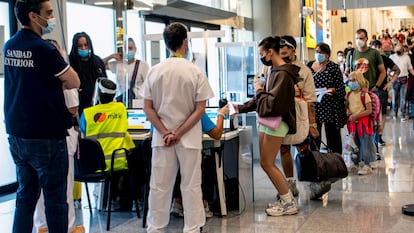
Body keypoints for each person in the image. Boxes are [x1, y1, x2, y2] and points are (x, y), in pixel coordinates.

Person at [3, 1, 80, 232]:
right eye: (48, 13)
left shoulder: (9, 46)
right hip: (46, 135)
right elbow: (74, 81)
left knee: (25, 196)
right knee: (55, 200)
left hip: (17, 134)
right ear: (33, 16)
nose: (51, 18)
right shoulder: (44, 49)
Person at [143, 22, 214, 233]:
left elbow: (148, 107)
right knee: (191, 186)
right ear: (185, 41)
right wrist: (179, 133)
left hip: (161, 139)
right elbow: (200, 109)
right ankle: (192, 229)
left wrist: (166, 132)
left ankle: (155, 228)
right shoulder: (195, 72)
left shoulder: (154, 71)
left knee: (159, 186)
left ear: (166, 44)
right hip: (189, 139)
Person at [234, 36, 300, 216]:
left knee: (267, 163)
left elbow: (272, 103)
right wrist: (239, 108)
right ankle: (285, 198)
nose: (261, 57)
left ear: (270, 52)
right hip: (269, 121)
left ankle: (288, 201)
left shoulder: (283, 74)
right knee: (266, 162)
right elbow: (262, 100)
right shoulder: (274, 71)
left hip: (276, 121)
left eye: (262, 54)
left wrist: (258, 90)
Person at [33, 39, 84, 233]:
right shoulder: (66, 76)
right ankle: (67, 227)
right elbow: (73, 108)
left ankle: (42, 226)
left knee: (42, 188)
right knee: (64, 186)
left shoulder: (39, 77)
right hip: (61, 136)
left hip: (42, 135)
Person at [79, 78, 136, 210]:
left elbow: (83, 135)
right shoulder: (121, 109)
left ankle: (110, 199)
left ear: (98, 94)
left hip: (94, 164)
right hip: (118, 162)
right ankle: (131, 200)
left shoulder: (87, 114)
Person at [275, 35, 318, 198]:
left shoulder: (304, 71)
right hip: (280, 115)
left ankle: (310, 183)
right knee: (283, 148)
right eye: (280, 54)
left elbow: (310, 100)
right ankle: (290, 182)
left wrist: (312, 125)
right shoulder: (272, 68)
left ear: (293, 51)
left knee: (303, 149)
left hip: (300, 115)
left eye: (286, 54)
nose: (283, 57)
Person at [170, 106, 230, 218]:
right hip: (190, 159)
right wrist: (221, 115)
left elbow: (152, 135)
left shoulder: (163, 112)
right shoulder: (197, 113)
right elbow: (217, 134)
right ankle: (204, 204)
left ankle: (177, 202)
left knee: (176, 163)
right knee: (208, 162)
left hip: (167, 165)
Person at [308, 42, 346, 155]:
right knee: (314, 133)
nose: (318, 54)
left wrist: (333, 90)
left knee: (332, 134)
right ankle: (314, 159)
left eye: (321, 52)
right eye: (317, 52)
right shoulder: (309, 66)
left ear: (327, 55)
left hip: (330, 106)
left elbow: (341, 88)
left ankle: (335, 158)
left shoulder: (333, 68)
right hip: (314, 106)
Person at [103, 37, 150, 108]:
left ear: (135, 49)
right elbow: (100, 65)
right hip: (120, 100)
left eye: (130, 48)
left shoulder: (143, 65)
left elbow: (149, 85)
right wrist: (111, 56)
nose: (128, 51)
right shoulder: (118, 64)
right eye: (125, 49)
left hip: (137, 101)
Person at [370, 40, 400, 149]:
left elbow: (397, 70)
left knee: (381, 114)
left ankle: (379, 136)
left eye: (378, 47)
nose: (377, 49)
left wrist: (390, 83)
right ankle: (371, 136)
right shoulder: (368, 59)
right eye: (374, 47)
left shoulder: (385, 59)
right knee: (370, 113)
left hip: (381, 90)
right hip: (369, 89)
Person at [69, 31, 108, 116]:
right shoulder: (69, 62)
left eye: (86, 45)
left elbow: (105, 83)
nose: (83, 48)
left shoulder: (97, 61)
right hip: (78, 108)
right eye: (80, 46)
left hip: (97, 108)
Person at [346, 71, 376, 175]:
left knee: (366, 143)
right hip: (353, 124)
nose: (351, 83)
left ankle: (367, 164)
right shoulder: (349, 94)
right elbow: (348, 106)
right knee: (354, 144)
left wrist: (356, 116)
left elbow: (369, 110)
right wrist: (348, 112)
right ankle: (355, 163)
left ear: (359, 81)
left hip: (364, 124)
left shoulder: (364, 95)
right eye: (349, 80)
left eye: (354, 80)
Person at [389, 44, 414, 121]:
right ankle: (395, 114)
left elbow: (410, 68)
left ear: (403, 50)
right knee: (394, 98)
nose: (398, 51)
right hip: (395, 79)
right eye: (396, 50)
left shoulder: (407, 58)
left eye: (399, 50)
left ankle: (402, 115)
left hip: (404, 79)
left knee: (403, 98)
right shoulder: (391, 57)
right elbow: (388, 69)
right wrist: (389, 77)